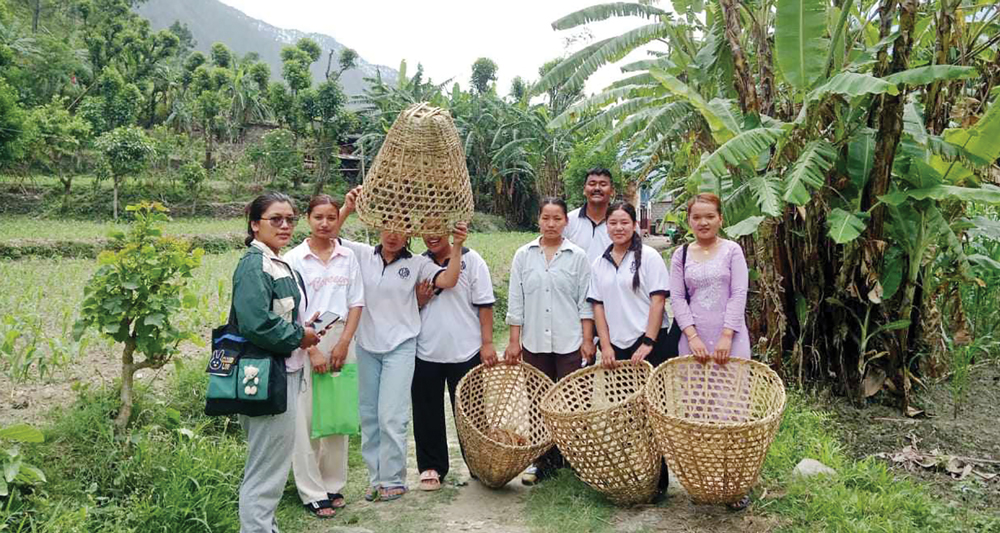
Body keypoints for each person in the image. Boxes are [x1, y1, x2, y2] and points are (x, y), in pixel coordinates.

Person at [334, 186, 467, 502]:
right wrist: (347, 208)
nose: (392, 234)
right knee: (369, 415)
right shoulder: (363, 254)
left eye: (401, 227)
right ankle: (375, 478)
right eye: (387, 226)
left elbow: (448, 280)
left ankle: (394, 479)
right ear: (379, 227)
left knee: (391, 416)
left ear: (410, 233)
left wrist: (458, 246)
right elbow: (331, 238)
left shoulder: (418, 264)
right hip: (366, 345)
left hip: (401, 345)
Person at [233, 192, 321, 533]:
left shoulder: (275, 261)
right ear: (255, 225)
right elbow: (256, 323)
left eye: (290, 219)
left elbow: (277, 315)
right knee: (265, 469)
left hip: (283, 372)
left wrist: (303, 327)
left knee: (271, 465)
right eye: (275, 219)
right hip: (267, 376)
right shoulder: (255, 264)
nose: (285, 225)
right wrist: (300, 337)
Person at [668, 192, 751, 510]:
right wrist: (692, 336)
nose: (703, 222)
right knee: (698, 411)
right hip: (693, 344)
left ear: (720, 218)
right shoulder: (681, 255)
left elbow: (739, 293)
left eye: (709, 216)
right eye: (696, 217)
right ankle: (704, 480)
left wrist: (727, 335)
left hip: (731, 341)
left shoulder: (733, 251)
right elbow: (677, 298)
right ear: (689, 221)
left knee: (733, 411)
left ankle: (735, 484)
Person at [588, 201, 675, 497]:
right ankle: (633, 476)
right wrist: (606, 345)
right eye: (613, 223)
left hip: (651, 346)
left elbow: (658, 300)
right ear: (607, 227)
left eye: (624, 222)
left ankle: (658, 481)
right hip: (618, 350)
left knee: (653, 413)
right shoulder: (600, 263)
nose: (619, 228)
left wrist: (648, 342)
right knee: (623, 415)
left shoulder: (649, 257)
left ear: (634, 225)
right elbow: (597, 305)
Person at [284, 195, 364, 519]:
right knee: (305, 420)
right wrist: (312, 349)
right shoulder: (294, 259)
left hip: (342, 338)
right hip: (305, 341)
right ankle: (312, 491)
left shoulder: (347, 256)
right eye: (319, 217)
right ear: (308, 218)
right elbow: (290, 309)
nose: (326, 223)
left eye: (332, 217)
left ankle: (333, 484)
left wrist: (344, 342)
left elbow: (356, 302)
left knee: (336, 414)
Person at [505, 197, 594, 485]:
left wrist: (587, 339)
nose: (551, 224)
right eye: (546, 218)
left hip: (570, 341)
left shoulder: (577, 256)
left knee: (572, 402)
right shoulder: (524, 255)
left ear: (566, 222)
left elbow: (585, 302)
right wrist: (514, 341)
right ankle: (543, 460)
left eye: (557, 218)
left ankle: (575, 460)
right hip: (534, 342)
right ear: (538, 220)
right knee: (538, 403)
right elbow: (516, 301)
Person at [411, 231, 497, 491]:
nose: (432, 236)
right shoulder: (417, 263)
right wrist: (419, 300)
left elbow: (484, 305)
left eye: (438, 229)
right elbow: (404, 305)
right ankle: (431, 466)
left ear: (449, 228)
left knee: (471, 411)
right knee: (426, 412)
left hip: (466, 348)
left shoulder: (473, 261)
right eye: (426, 229)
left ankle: (478, 462)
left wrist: (487, 342)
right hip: (425, 348)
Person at [564, 168, 615, 263]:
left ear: (612, 191)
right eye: (592, 184)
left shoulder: (624, 223)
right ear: (584, 190)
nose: (597, 188)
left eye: (603, 184)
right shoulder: (568, 221)